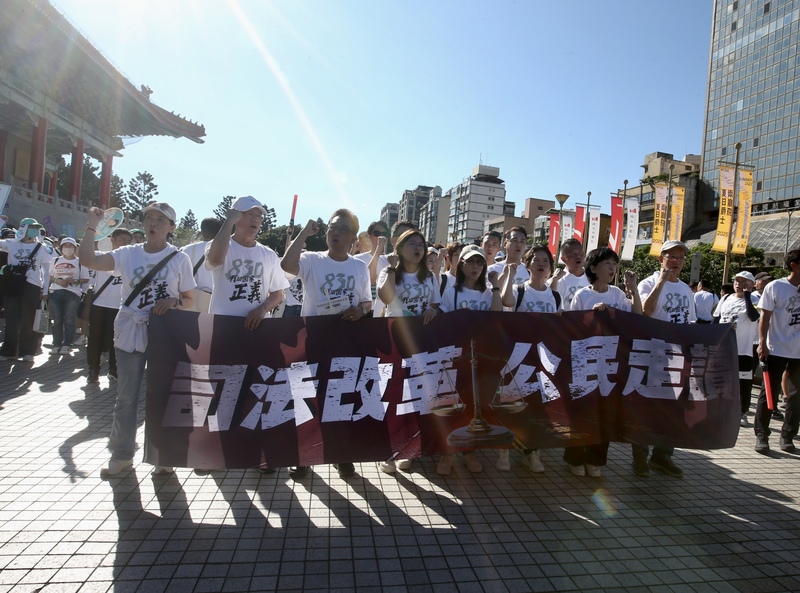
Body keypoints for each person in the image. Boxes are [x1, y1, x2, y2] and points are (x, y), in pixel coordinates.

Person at [79, 202, 195, 478]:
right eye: (149, 218)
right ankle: (122, 455)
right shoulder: (127, 254)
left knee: (164, 397)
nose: (153, 223)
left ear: (171, 227)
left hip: (166, 333)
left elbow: (190, 300)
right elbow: (89, 260)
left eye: (160, 220)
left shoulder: (179, 259)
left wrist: (174, 300)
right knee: (126, 396)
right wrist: (91, 226)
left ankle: (164, 455)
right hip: (131, 329)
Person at [281, 209, 372, 479]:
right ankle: (303, 456)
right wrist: (303, 234)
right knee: (306, 400)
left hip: (345, 341)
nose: (335, 233)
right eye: (333, 227)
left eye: (342, 229)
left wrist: (361, 311)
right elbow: (287, 267)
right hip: (312, 340)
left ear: (353, 237)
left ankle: (340, 454)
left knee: (340, 400)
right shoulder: (312, 260)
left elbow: (367, 301)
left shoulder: (358, 267)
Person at [564, 247, 641, 477]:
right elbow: (572, 327)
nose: (612, 268)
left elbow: (636, 316)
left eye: (614, 264)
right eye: (607, 263)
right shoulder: (582, 295)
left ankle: (595, 459)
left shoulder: (617, 294)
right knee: (581, 410)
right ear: (593, 268)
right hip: (583, 360)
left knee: (603, 412)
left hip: (610, 361)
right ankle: (575, 458)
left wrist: (634, 289)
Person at [376, 229, 441, 474]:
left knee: (413, 396)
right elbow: (385, 296)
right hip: (395, 340)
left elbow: (435, 304)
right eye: (412, 243)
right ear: (400, 248)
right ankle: (388, 450)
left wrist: (432, 311)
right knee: (392, 394)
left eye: (421, 245)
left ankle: (407, 449)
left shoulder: (430, 277)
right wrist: (392, 270)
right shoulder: (389, 271)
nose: (418, 248)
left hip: (420, 342)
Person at [437, 245, 502, 475]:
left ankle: (469, 450)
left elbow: (497, 314)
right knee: (453, 403)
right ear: (461, 264)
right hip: (455, 356)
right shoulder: (451, 290)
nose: (475, 267)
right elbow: (442, 318)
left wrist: (495, 286)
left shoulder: (487, 292)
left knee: (475, 403)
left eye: (480, 262)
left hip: (480, 357)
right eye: (471, 262)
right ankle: (447, 453)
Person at [633, 239, 696, 478]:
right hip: (651, 353)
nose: (677, 262)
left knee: (673, 409)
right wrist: (660, 281)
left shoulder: (685, 289)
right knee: (645, 407)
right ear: (661, 259)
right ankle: (639, 455)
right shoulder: (648, 283)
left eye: (681, 258)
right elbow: (645, 312)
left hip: (677, 357)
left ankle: (663, 455)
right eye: (671, 256)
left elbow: (690, 322)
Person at [498, 244, 562, 474]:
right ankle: (504, 448)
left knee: (537, 406)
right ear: (528, 265)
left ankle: (532, 452)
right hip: (517, 358)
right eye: (536, 260)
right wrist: (510, 275)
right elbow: (505, 302)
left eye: (546, 260)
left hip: (542, 360)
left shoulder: (555, 295)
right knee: (512, 403)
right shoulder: (519, 290)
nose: (542, 264)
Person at [206, 196, 288, 328]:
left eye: (259, 216)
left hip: (257, 326)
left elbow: (277, 294)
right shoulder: (219, 245)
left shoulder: (269, 254)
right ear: (236, 216)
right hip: (223, 326)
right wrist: (229, 221)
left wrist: (262, 310)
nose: (255, 219)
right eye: (250, 214)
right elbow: (215, 259)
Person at [754, 250, 800, 454]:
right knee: (769, 393)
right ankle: (762, 435)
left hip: (798, 351)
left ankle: (788, 436)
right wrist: (762, 343)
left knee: (796, 396)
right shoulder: (776, 287)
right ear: (794, 265)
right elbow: (764, 318)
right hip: (776, 348)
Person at [0, 217, 56, 361]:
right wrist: (1, 222)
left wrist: (45, 291)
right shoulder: (10, 244)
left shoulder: (42, 248)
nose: (35, 231)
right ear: (23, 228)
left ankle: (27, 352)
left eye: (37, 228)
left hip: (33, 285)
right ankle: (8, 351)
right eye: (32, 227)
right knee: (11, 319)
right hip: (14, 284)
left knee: (29, 319)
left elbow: (46, 270)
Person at [87, 228, 132, 384]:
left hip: (121, 307)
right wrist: (92, 230)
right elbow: (82, 254)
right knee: (95, 339)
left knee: (117, 341)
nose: (125, 243)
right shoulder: (101, 256)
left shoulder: (130, 259)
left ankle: (114, 370)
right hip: (100, 304)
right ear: (112, 239)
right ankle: (93, 370)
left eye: (128, 240)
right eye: (122, 239)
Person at [715, 271, 760, 428]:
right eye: (736, 280)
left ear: (751, 284)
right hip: (724, 347)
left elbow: (754, 316)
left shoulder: (756, 299)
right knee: (722, 380)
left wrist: (747, 296)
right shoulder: (726, 298)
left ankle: (743, 412)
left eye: (743, 281)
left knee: (743, 382)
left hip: (744, 349)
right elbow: (716, 318)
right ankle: (721, 409)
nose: (738, 284)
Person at [47, 237, 86, 356]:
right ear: (61, 247)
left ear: (75, 248)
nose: (67, 248)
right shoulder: (55, 260)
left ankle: (67, 344)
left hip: (73, 294)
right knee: (57, 320)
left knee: (69, 321)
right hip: (55, 292)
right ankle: (56, 344)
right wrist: (59, 281)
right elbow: (49, 276)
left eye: (70, 246)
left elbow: (85, 279)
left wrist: (73, 281)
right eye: (65, 245)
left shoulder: (81, 262)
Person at [182, 217, 223, 313]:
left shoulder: (186, 250)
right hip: (213, 301)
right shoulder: (224, 251)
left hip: (190, 299)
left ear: (202, 230)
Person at [488, 227, 530, 300]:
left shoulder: (529, 271)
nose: (519, 245)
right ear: (505, 244)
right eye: (515, 241)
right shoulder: (492, 269)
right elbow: (487, 295)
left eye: (522, 241)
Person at [549, 238, 590, 309]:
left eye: (580, 252)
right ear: (563, 259)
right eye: (573, 254)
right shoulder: (557, 281)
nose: (578, 256)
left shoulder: (592, 277)